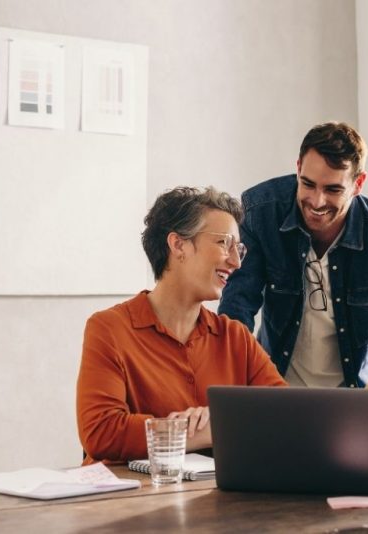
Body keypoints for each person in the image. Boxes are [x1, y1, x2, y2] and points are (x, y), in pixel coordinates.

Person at [218, 122, 368, 388]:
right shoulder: (261, 211)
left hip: (356, 392)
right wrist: (234, 387)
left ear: (358, 184)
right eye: (308, 184)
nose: (317, 201)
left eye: (333, 190)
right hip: (277, 387)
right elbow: (237, 306)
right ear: (298, 168)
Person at [77, 186, 286, 464]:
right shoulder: (109, 329)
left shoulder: (235, 338)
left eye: (239, 249)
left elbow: (286, 417)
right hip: (133, 492)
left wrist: (218, 423)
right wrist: (197, 432)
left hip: (216, 491)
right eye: (224, 243)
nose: (236, 262)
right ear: (178, 245)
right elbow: (101, 432)